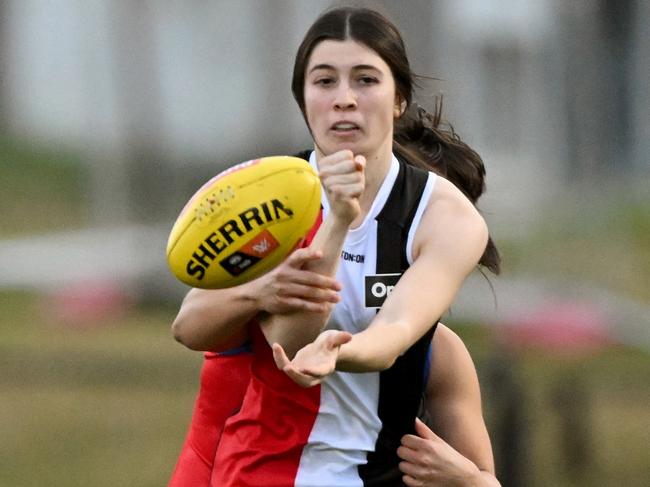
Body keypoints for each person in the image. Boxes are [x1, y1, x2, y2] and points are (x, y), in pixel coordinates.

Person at [171, 6, 501, 486]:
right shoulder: (267, 199)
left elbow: (396, 330)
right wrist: (262, 289)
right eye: (324, 81)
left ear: (399, 99)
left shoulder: (446, 219)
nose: (344, 99)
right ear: (303, 99)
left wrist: (340, 351)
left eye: (365, 79)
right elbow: (194, 326)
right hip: (254, 472)